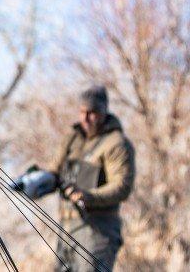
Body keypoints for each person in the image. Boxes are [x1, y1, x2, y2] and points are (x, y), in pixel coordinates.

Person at [49, 86, 136, 271]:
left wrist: (88, 196)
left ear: (104, 111)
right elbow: (54, 172)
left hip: (98, 232)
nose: (86, 118)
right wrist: (34, 181)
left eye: (92, 113)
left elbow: (122, 186)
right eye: (82, 112)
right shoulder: (73, 138)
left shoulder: (116, 143)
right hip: (67, 229)